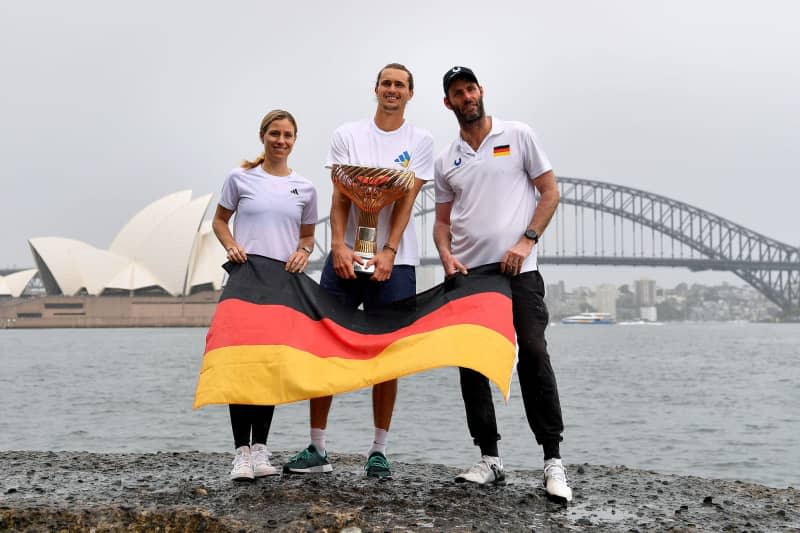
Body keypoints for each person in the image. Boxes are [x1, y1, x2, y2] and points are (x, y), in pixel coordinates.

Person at [283, 63, 434, 480]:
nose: (392, 90)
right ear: (376, 89)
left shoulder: (420, 140)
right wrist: (338, 246)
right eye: (386, 83)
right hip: (345, 257)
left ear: (410, 94)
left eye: (399, 85)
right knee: (325, 343)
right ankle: (317, 447)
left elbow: (408, 201)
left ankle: (378, 451)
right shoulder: (347, 135)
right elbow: (340, 196)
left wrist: (387, 250)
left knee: (389, 354)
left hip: (395, 261)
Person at [433, 66, 573, 502]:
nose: (467, 96)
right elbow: (440, 222)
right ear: (448, 102)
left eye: (471, 88)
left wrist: (526, 240)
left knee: (533, 352)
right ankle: (489, 459)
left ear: (481, 92)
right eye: (458, 92)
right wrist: (445, 254)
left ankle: (552, 461)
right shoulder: (445, 160)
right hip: (471, 275)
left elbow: (549, 192)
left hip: (520, 271)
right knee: (473, 364)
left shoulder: (518, 134)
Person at [212, 109, 318, 481]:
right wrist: (231, 245)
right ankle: (241, 452)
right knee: (242, 364)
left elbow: (308, 237)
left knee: (269, 366)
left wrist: (303, 253)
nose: (281, 141)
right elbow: (219, 220)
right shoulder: (240, 178)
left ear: (294, 140)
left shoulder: (305, 188)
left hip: (281, 285)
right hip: (246, 281)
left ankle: (261, 450)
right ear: (263, 136)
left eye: (288, 135)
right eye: (275, 134)